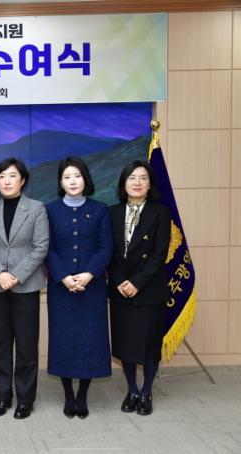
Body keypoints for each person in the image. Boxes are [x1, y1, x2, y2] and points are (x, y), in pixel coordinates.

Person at [0, 158, 49, 419]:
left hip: (26, 286)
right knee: (1, 344)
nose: (7, 181)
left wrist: (16, 276)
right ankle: (3, 396)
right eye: (1, 177)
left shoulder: (36, 208)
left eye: (12, 176)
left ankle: (25, 399)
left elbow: (40, 247)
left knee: (27, 345)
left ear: (23, 180)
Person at [45, 156, 112, 419]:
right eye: (67, 177)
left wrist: (89, 274)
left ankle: (82, 394)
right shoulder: (50, 210)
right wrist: (63, 276)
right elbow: (48, 248)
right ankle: (68, 394)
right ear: (60, 182)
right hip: (61, 288)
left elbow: (105, 247)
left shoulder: (100, 210)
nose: (72, 181)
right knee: (63, 340)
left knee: (89, 340)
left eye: (77, 176)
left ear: (85, 179)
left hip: (92, 288)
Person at [108, 161, 171, 416]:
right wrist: (120, 281)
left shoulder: (161, 213)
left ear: (150, 184)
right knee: (126, 344)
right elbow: (109, 252)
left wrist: (137, 282)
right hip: (120, 289)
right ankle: (132, 390)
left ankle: (146, 392)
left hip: (149, 289)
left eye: (143, 178)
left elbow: (159, 253)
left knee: (148, 345)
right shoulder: (112, 212)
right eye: (132, 178)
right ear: (123, 183)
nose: (137, 182)